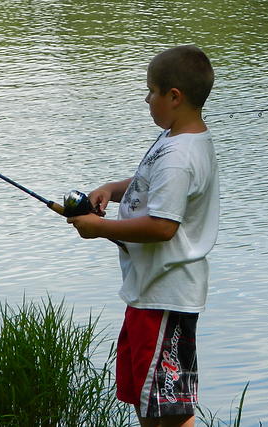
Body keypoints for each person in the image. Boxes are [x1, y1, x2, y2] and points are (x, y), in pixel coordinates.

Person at [67, 45, 219, 427]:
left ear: (174, 96)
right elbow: (151, 185)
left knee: (166, 409)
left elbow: (162, 226)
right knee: (153, 402)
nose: (146, 99)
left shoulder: (179, 155)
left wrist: (101, 228)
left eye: (150, 91)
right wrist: (112, 190)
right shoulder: (177, 140)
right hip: (150, 291)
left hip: (165, 295)